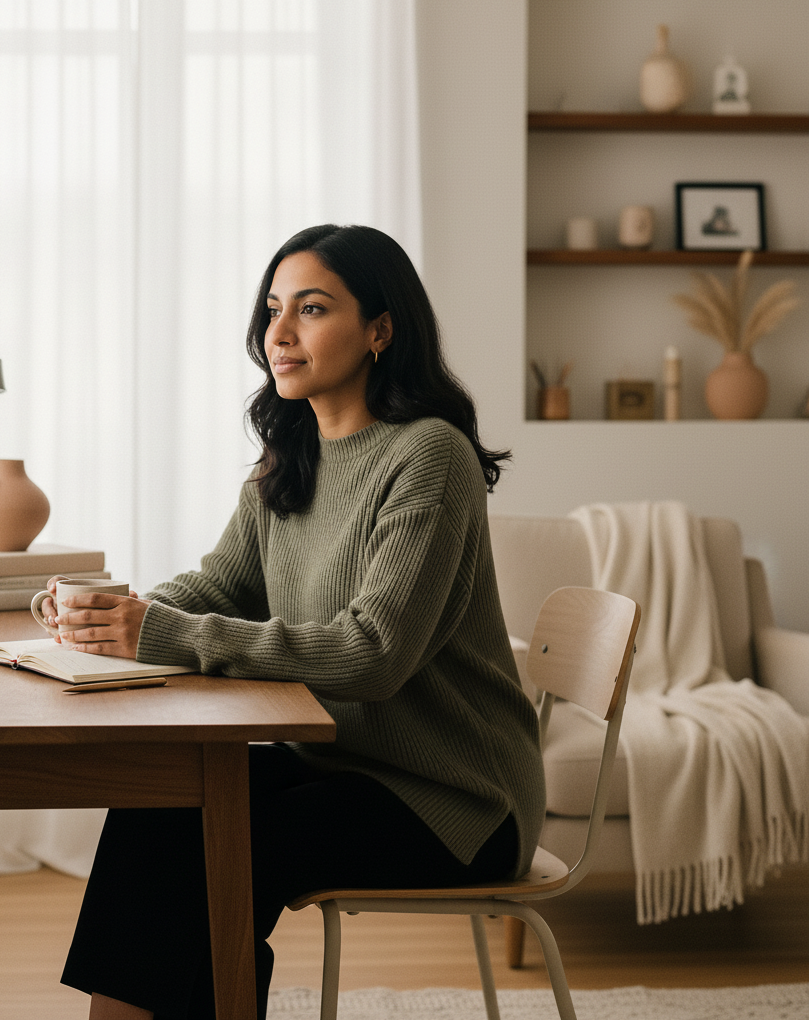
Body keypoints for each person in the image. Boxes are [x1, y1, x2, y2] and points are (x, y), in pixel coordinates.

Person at [46, 224, 546, 1020]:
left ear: (380, 330)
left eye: (310, 309)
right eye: (274, 309)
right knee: (159, 803)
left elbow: (374, 656)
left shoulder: (429, 456)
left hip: (455, 799)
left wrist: (158, 632)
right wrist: (110, 610)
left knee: (230, 847)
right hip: (343, 764)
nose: (278, 333)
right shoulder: (291, 457)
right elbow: (219, 586)